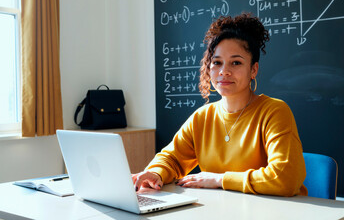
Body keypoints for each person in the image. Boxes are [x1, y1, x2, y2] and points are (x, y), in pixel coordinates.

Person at [132, 13, 308, 197]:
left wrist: (219, 180)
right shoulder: (203, 116)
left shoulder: (274, 111)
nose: (224, 71)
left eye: (236, 62)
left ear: (253, 70)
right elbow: (172, 158)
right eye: (217, 62)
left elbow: (284, 178)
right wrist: (155, 173)